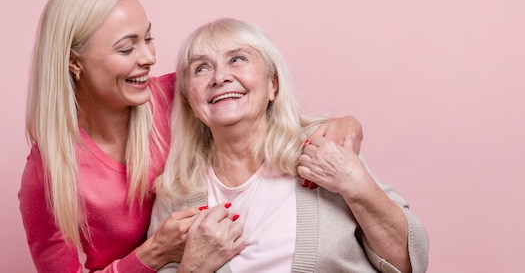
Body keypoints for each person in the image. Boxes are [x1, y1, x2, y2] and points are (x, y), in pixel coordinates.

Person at [18, 0, 363, 273]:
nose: (149, 58)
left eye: (148, 39)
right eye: (127, 49)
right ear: (74, 62)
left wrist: (346, 124)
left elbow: (266, 108)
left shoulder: (181, 96)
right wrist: (152, 255)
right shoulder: (47, 172)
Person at [149, 17, 429, 273]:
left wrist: (357, 184)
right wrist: (194, 269)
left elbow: (408, 262)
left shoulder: (322, 147)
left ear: (273, 85)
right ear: (189, 101)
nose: (219, 77)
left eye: (237, 60)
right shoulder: (176, 191)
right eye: (201, 68)